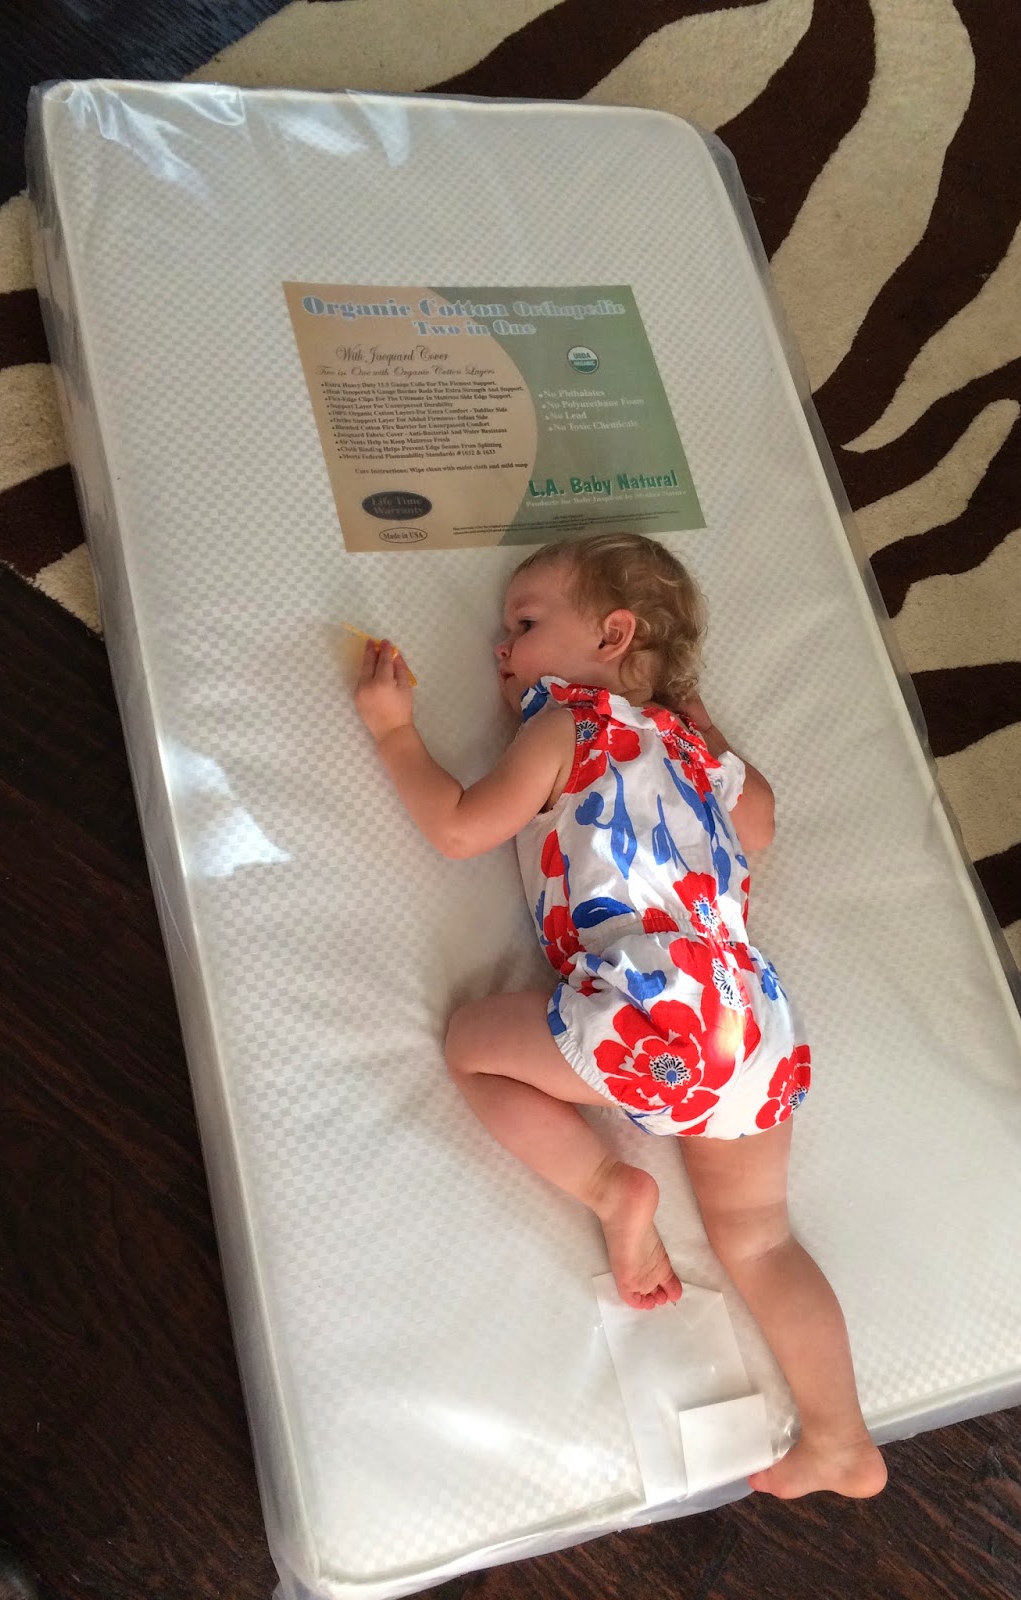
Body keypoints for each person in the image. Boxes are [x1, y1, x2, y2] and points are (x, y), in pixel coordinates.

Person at [353, 531, 886, 1499]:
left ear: (611, 636)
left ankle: (609, 1188)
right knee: (763, 1240)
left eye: (523, 623)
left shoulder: (567, 722)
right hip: (749, 1020)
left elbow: (461, 827)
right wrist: (699, 717)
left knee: (472, 1048)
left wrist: (396, 733)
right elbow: (760, 823)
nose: (501, 648)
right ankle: (842, 1439)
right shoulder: (694, 750)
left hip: (649, 1008)